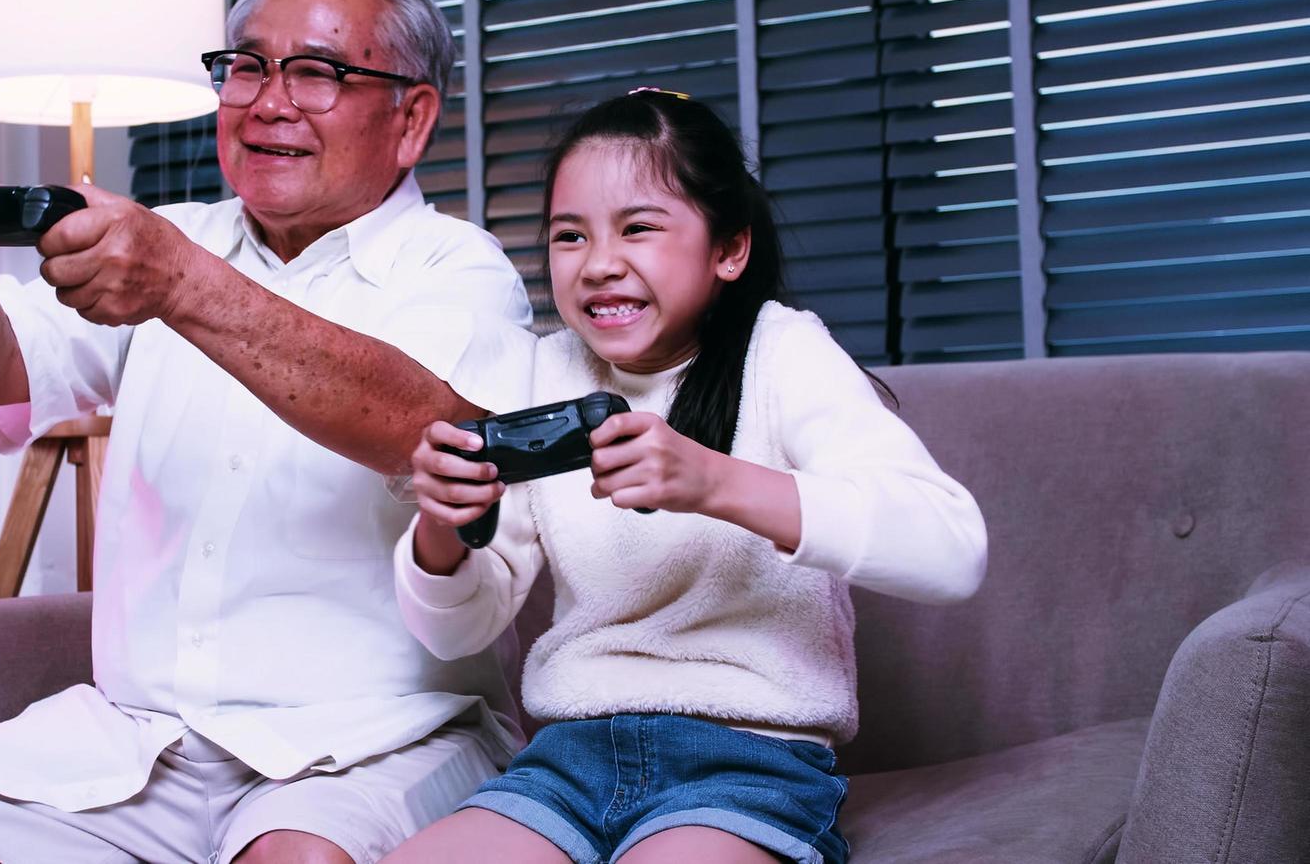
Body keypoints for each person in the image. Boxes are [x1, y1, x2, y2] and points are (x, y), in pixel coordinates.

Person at [0, 0, 538, 864]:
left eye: (318, 72)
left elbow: (429, 427)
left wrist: (182, 284)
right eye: (246, 67)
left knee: (291, 857)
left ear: (411, 118)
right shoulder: (173, 238)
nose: (269, 102)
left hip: (376, 740)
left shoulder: (458, 268)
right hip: (144, 742)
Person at [385, 90, 988, 864]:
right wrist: (441, 529)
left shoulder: (782, 353)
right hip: (565, 763)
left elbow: (952, 548)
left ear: (728, 249)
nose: (600, 264)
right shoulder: (548, 371)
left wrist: (713, 482)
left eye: (638, 228)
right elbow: (459, 629)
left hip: (747, 762)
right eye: (570, 236)